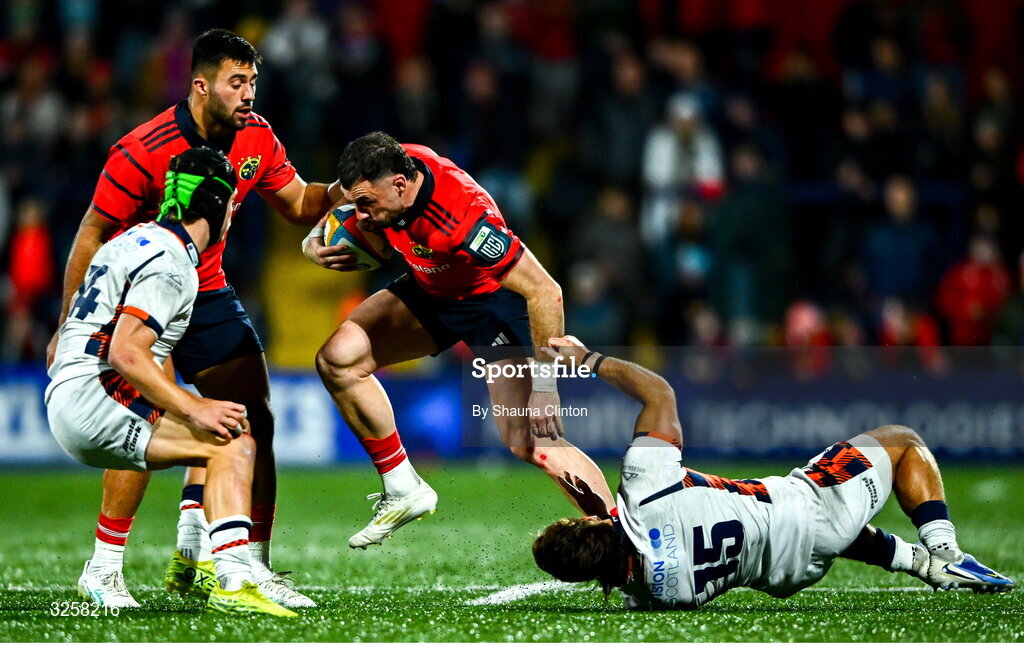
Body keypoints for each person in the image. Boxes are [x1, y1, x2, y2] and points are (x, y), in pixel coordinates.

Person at [46, 29, 340, 608]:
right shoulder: (140, 149)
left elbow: (298, 201)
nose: (249, 94)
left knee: (252, 417)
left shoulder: (256, 136)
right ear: (201, 85)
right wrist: (65, 322)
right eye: (237, 83)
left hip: (205, 290)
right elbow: (93, 232)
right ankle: (106, 565)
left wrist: (343, 189)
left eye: (253, 82)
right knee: (150, 411)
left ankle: (232, 560)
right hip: (145, 294)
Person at [532, 336, 1014, 608]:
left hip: (788, 573)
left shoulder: (649, 599)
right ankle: (946, 552)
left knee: (828, 528)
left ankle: (920, 564)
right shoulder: (644, 489)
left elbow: (631, 554)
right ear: (587, 523)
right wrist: (588, 360)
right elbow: (660, 394)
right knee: (904, 442)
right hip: (801, 507)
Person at [303, 132, 613, 548]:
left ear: (399, 185)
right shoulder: (387, 166)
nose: (360, 216)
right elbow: (341, 197)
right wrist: (312, 242)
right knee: (338, 359)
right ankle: (403, 487)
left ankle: (621, 535)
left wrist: (545, 386)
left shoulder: (462, 221)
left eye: (366, 205)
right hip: (432, 288)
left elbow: (546, 291)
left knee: (532, 441)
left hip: (491, 304)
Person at [46, 147, 294, 616]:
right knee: (234, 442)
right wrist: (190, 405)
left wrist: (193, 408)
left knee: (216, 424)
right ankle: (233, 578)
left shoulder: (137, 237)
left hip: (72, 389)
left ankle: (188, 557)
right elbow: (125, 352)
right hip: (93, 398)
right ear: (220, 209)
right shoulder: (173, 262)